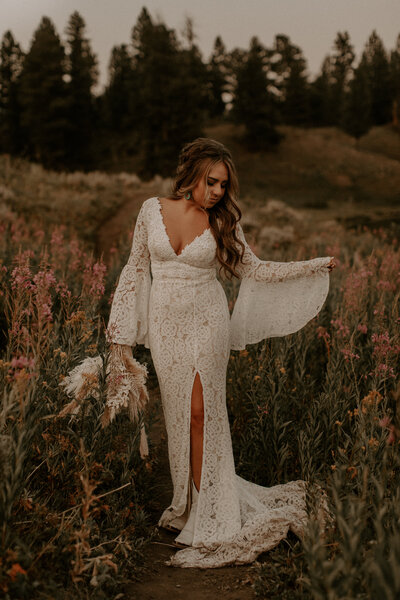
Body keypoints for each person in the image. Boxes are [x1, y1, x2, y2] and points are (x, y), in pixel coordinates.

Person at [107, 137, 335, 568]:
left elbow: (255, 268)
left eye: (222, 186)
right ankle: (189, 505)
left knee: (200, 413)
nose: (216, 192)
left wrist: (312, 266)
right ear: (190, 172)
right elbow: (136, 267)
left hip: (208, 323)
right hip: (165, 326)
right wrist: (120, 331)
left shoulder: (222, 221)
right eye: (210, 182)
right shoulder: (150, 210)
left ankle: (210, 517)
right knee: (177, 415)